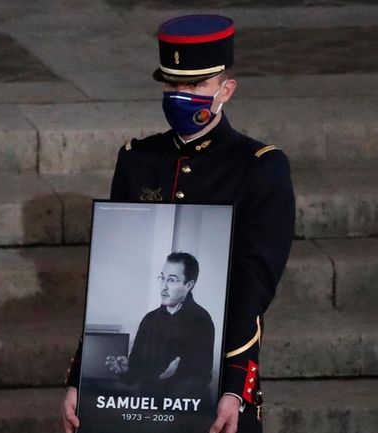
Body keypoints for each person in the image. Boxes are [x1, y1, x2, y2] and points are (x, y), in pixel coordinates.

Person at [62, 14, 295, 433]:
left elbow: (251, 287)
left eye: (195, 85)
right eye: (173, 84)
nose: (181, 95)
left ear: (226, 90)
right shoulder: (137, 159)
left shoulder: (259, 168)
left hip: (210, 397)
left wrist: (234, 387)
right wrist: (83, 378)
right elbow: (99, 283)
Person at [104, 252, 214, 401]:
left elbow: (203, 377)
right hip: (147, 404)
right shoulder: (149, 319)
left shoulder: (201, 320)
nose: (164, 286)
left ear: (189, 285)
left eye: (172, 280)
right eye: (162, 278)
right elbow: (135, 372)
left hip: (182, 411)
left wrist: (173, 375)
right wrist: (126, 370)